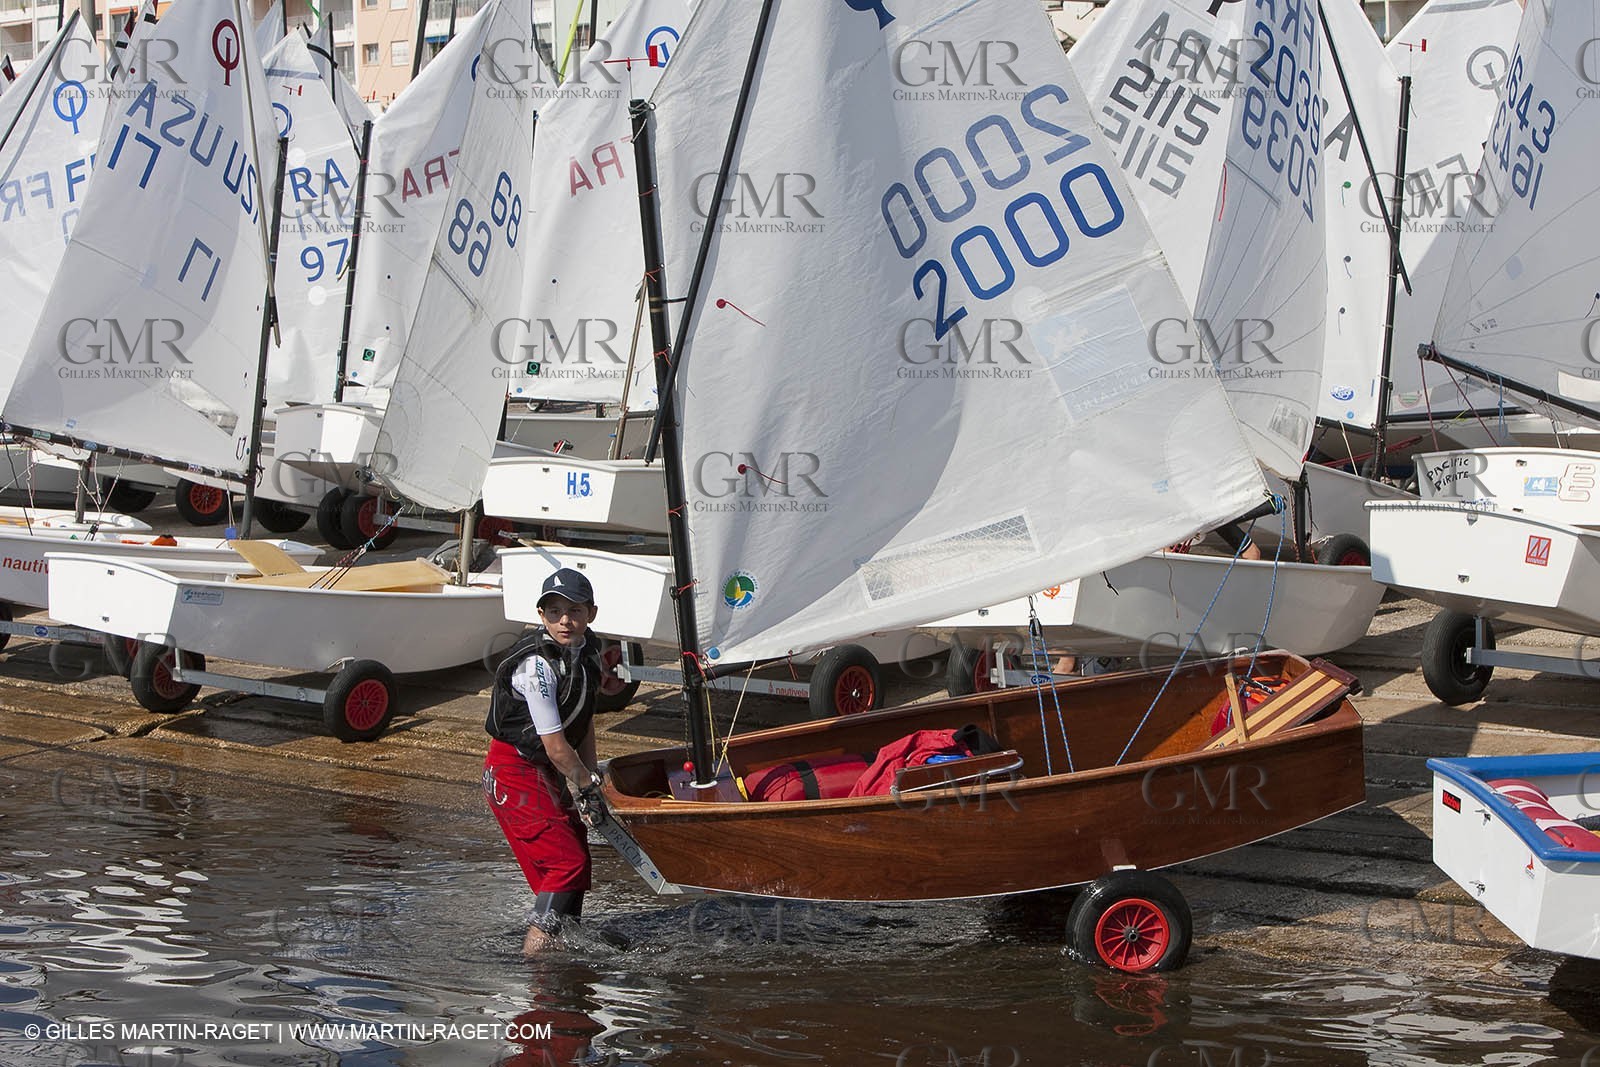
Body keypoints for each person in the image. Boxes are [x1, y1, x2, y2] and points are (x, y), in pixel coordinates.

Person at [484, 566, 608, 955]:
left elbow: (583, 722)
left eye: (574, 610)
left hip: (546, 769)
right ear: (541, 615)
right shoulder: (536, 666)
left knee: (577, 852)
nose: (565, 620)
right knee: (565, 863)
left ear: (591, 613)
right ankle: (535, 956)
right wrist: (586, 787)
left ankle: (566, 943)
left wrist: (590, 775)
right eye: (554, 611)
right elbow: (555, 746)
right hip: (513, 770)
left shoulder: (588, 653)